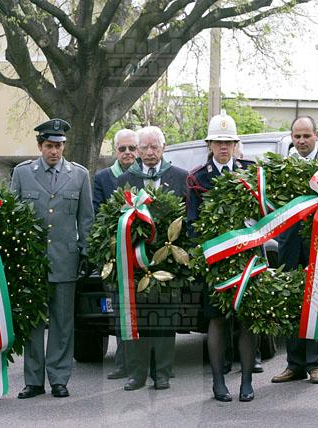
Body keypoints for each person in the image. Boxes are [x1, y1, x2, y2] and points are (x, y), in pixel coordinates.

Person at [11, 118, 93, 399]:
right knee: (33, 322)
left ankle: (59, 378)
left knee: (62, 322)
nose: (54, 151)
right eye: (49, 145)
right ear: (40, 146)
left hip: (65, 260)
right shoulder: (22, 173)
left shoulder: (79, 175)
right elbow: (13, 217)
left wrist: (85, 253)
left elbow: (86, 219)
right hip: (31, 261)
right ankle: (34, 381)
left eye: (59, 146)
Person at [186, 111, 255, 402]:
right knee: (217, 319)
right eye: (218, 142)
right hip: (216, 259)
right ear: (210, 145)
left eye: (228, 142)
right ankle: (218, 382)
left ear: (236, 144)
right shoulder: (198, 178)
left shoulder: (250, 171)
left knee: (247, 318)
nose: (223, 147)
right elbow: (192, 223)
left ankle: (247, 381)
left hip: (248, 257)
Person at [271, 116, 318, 385]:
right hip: (289, 244)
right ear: (291, 137)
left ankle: (315, 364)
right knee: (292, 300)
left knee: (317, 301)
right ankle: (294, 364)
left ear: (317, 135)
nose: (301, 141)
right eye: (297, 136)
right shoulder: (282, 168)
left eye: (306, 136)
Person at [116, 126, 188, 391]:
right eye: (144, 147)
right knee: (138, 317)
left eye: (154, 147)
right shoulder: (126, 179)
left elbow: (187, 219)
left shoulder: (180, 177)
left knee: (165, 319)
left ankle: (162, 373)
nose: (149, 152)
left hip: (168, 260)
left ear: (163, 148)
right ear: (138, 150)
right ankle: (137, 373)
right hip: (136, 261)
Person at [92, 129, 138, 380]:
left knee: (144, 309)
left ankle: (146, 362)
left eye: (132, 148)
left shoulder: (145, 175)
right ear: (115, 151)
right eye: (123, 149)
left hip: (141, 253)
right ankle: (122, 363)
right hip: (115, 253)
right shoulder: (103, 178)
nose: (128, 153)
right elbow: (97, 215)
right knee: (121, 309)